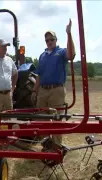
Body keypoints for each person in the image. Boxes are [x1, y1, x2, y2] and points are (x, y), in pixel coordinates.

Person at [32, 19, 76, 151]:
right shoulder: (42, 55)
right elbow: (39, 75)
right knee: (42, 119)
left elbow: (71, 55)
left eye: (51, 39)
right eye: (47, 40)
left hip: (56, 90)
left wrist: (69, 34)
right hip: (43, 91)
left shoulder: (61, 52)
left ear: (56, 40)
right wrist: (35, 91)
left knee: (57, 119)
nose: (49, 42)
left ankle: (56, 147)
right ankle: (47, 144)